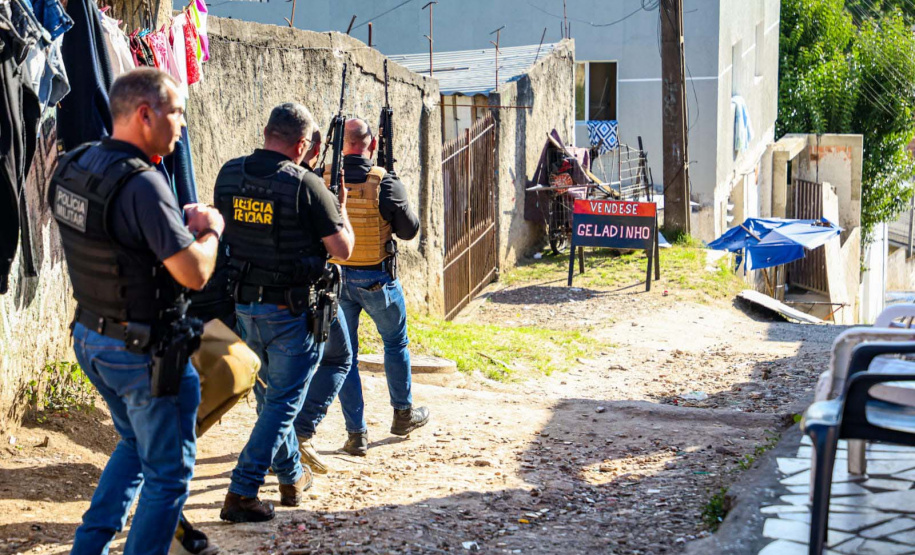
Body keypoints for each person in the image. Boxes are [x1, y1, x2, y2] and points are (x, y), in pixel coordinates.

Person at [48, 68, 223, 555]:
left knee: (132, 444)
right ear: (146, 115)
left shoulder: (75, 163)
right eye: (177, 113)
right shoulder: (144, 183)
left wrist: (168, 224)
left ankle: (89, 548)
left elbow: (111, 234)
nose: (182, 125)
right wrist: (211, 229)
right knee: (168, 477)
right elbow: (194, 273)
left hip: (91, 338)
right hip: (142, 353)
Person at [213, 102, 354, 522]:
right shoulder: (307, 186)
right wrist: (340, 208)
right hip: (291, 313)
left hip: (244, 308)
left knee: (269, 399)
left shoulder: (229, 174)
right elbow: (343, 250)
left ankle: (292, 477)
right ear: (303, 145)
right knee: (281, 405)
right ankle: (242, 491)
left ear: (265, 131)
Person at [293, 117, 428, 465]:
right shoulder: (383, 182)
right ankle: (402, 414)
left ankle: (356, 434)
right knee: (395, 343)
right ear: (372, 145)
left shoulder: (321, 178)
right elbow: (409, 230)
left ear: (342, 145)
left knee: (346, 356)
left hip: (337, 280)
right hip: (376, 280)